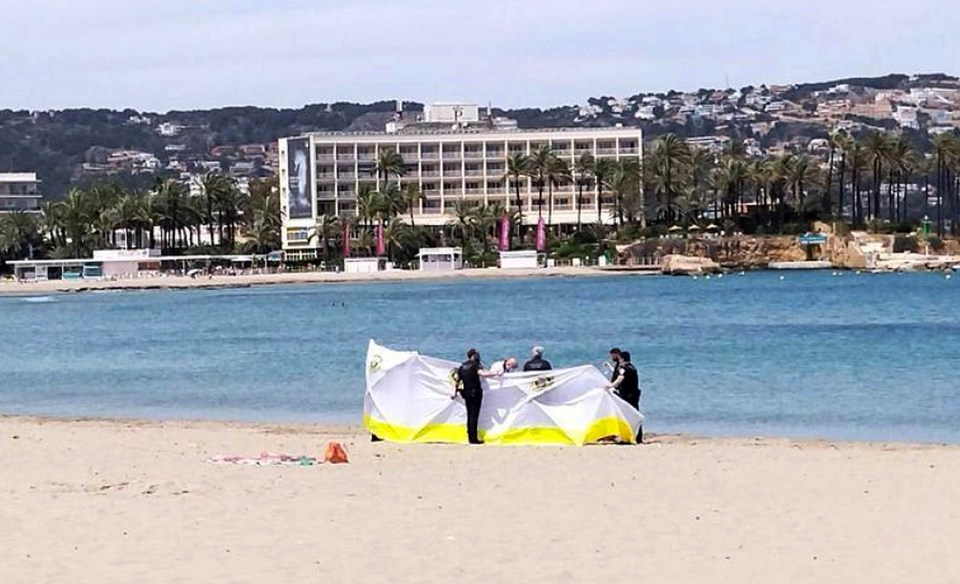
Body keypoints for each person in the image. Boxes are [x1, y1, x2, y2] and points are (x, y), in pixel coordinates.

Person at [453, 348, 502, 445]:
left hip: (466, 393)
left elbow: (456, 380)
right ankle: (474, 439)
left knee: (469, 415)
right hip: (475, 393)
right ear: (474, 355)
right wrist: (496, 373)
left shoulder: (462, 366)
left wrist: (454, 392)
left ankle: (470, 437)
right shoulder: (475, 364)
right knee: (474, 416)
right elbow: (482, 374)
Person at [609, 350, 643, 444]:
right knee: (635, 414)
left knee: (625, 415)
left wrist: (610, 386)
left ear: (622, 359)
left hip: (627, 395)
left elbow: (621, 378)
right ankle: (638, 437)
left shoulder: (624, 368)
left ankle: (628, 437)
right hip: (634, 395)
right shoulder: (632, 367)